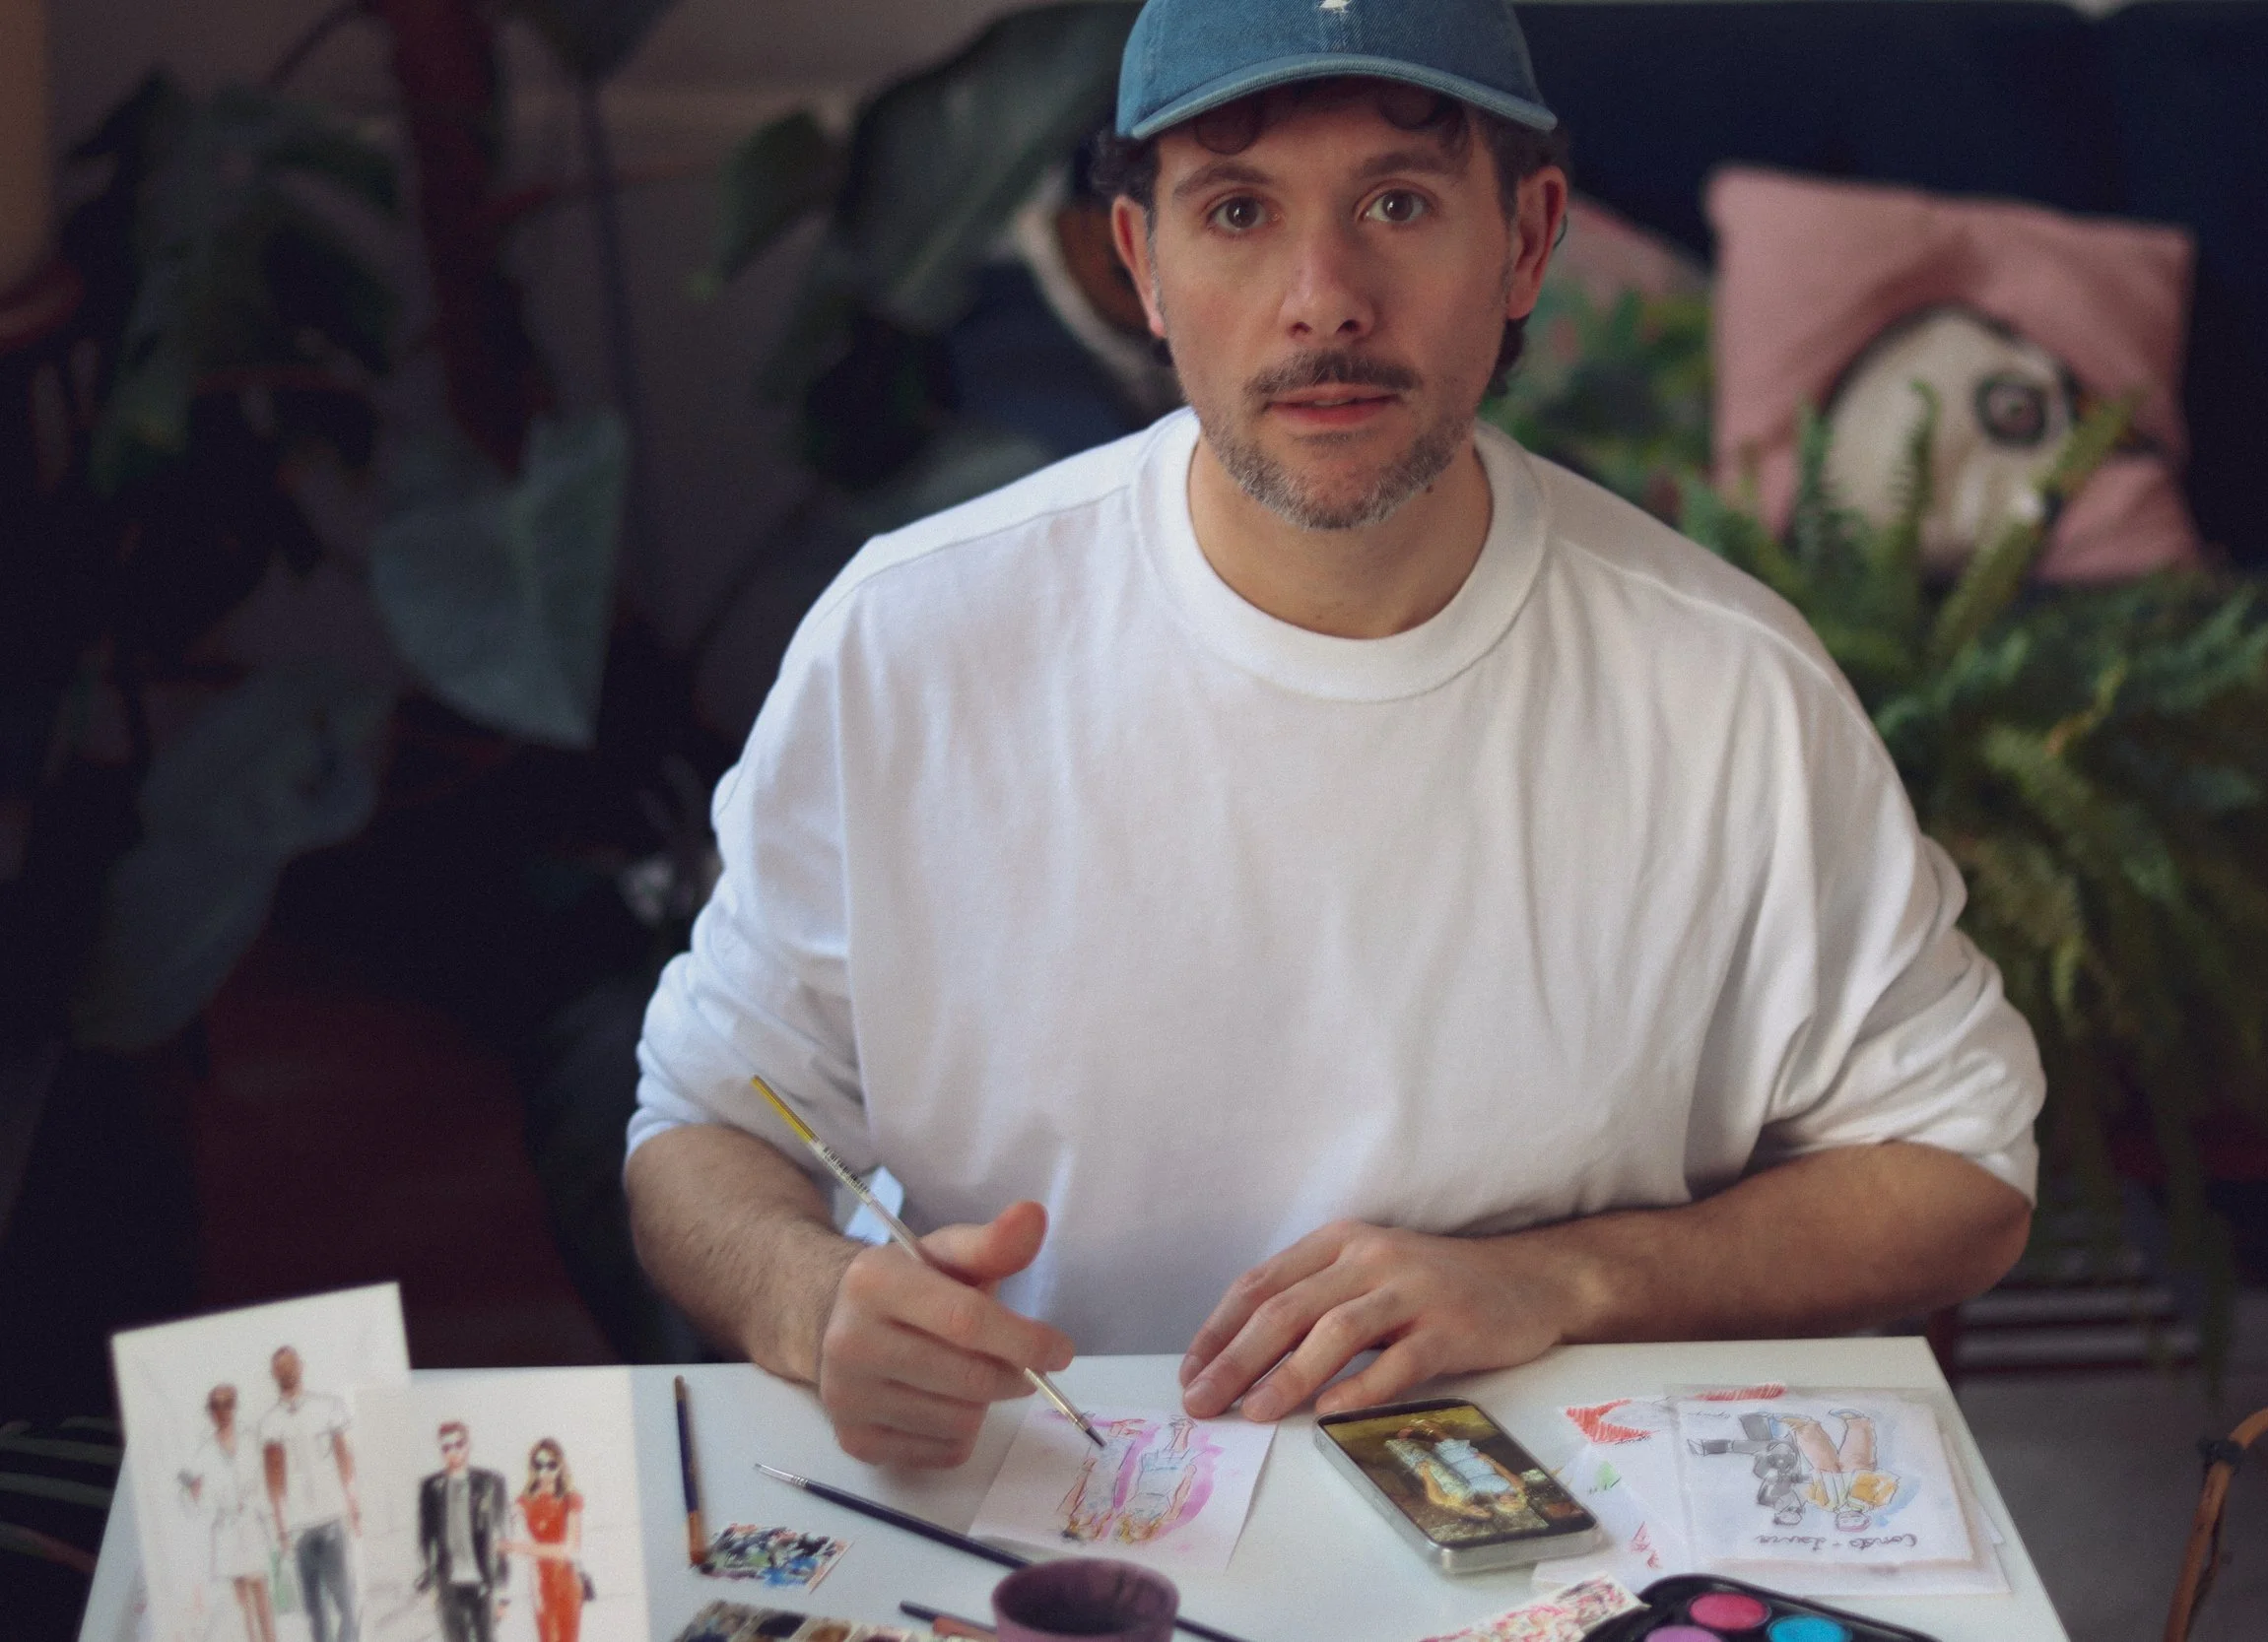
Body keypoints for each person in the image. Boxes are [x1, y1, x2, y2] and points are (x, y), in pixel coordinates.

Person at [627, 0, 2041, 1471]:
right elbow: (702, 1126)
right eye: (1237, 212)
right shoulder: (908, 644)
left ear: (1529, 241)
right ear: (1142, 268)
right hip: (1037, 1515)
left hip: (1545, 1549)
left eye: (1400, 203)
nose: (1324, 299)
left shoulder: (1728, 688)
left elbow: (1963, 1166)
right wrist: (815, 1298)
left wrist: (1564, 1274)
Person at [259, 1346, 359, 1642]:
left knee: (346, 1604)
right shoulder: (270, 1423)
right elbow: (273, 1480)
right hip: (299, 1528)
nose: (287, 1371)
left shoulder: (329, 1407)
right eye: (281, 1367)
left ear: (302, 1366)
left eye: (291, 1364)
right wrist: (281, 1529)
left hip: (332, 1520)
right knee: (315, 1615)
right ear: (274, 1374)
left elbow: (345, 1461)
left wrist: (354, 1509)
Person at [178, 1384, 274, 1642]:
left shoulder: (250, 1437)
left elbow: (265, 1478)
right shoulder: (203, 1451)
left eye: (226, 1404)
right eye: (215, 1406)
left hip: (251, 1522)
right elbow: (192, 1502)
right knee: (241, 1598)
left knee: (261, 1589)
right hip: (226, 1529)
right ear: (209, 1411)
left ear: (234, 1405)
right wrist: (194, 1494)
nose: (221, 1411)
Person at [416, 1422, 509, 1642]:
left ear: (469, 1445)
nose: (454, 1452)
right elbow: (425, 1538)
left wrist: (503, 1593)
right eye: (446, 1448)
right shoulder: (431, 1488)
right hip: (449, 1585)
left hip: (484, 1581)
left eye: (459, 1444)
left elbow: (502, 1537)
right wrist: (431, 1583)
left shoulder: (490, 1483)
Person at [503, 1437, 586, 1642]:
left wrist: (522, 1548)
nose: (545, 1472)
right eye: (539, 1465)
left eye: (551, 1465)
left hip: (567, 1583)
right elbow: (507, 1532)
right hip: (540, 1583)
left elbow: (571, 1548)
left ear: (560, 1466)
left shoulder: (569, 1499)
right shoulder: (524, 1501)